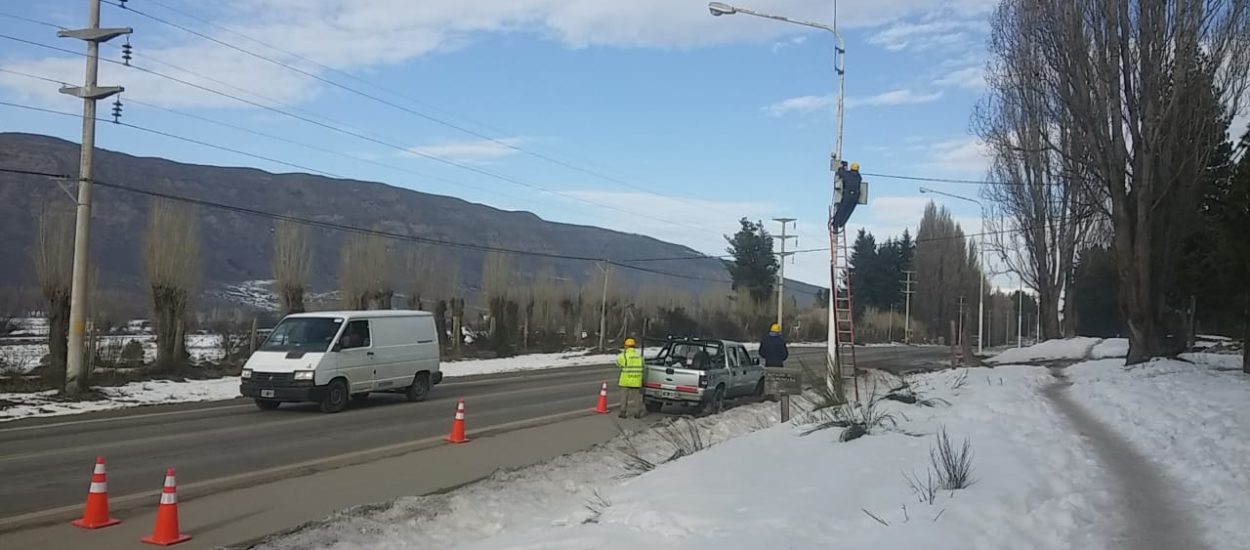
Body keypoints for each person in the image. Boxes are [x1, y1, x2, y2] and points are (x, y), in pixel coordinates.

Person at [615, 337, 645, 418]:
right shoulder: (639, 357)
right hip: (636, 379)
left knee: (624, 397)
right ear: (634, 346)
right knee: (636, 398)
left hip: (626, 380)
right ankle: (637, 413)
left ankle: (623, 412)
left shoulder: (623, 356)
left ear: (626, 346)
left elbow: (618, 364)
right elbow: (643, 366)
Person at [831, 162, 863, 229]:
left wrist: (842, 167)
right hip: (855, 196)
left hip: (847, 194)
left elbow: (841, 172)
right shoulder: (859, 177)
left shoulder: (847, 174)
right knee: (849, 210)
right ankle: (842, 223)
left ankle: (835, 223)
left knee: (842, 209)